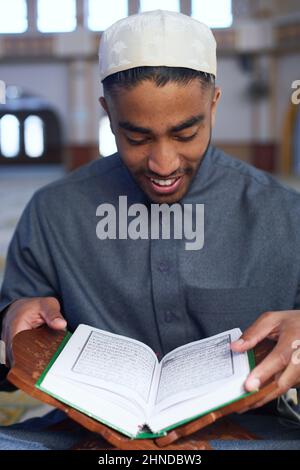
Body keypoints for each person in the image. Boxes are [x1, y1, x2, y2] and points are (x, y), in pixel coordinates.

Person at [0, 10, 300, 450]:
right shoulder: (54, 212)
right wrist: (11, 325)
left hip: (252, 436)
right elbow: (10, 373)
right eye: (136, 137)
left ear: (214, 103)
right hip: (84, 440)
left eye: (186, 134)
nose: (163, 164)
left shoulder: (284, 213)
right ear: (108, 112)